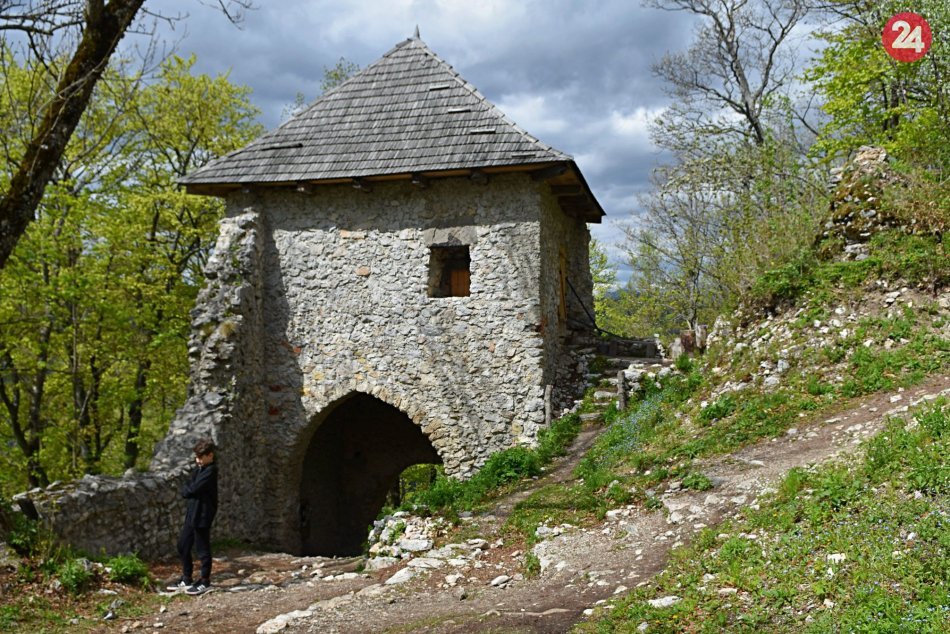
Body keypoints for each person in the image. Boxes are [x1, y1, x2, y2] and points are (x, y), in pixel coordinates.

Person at [166, 438, 218, 595]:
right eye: (196, 458)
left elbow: (192, 489)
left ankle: (204, 581)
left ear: (210, 455)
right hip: (192, 513)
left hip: (203, 514)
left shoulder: (211, 471)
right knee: (183, 545)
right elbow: (187, 489)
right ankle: (186, 577)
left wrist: (190, 489)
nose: (198, 461)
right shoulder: (199, 470)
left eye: (201, 457)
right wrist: (189, 489)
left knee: (202, 548)